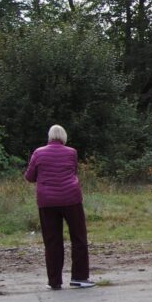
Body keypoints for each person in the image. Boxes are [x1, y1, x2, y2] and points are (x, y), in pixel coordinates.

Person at [24, 124, 93, 290]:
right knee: (78, 237)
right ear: (64, 137)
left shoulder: (38, 152)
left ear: (49, 137)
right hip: (71, 198)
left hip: (47, 201)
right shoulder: (71, 152)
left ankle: (54, 281)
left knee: (52, 241)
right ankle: (79, 277)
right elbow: (73, 171)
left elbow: (30, 177)